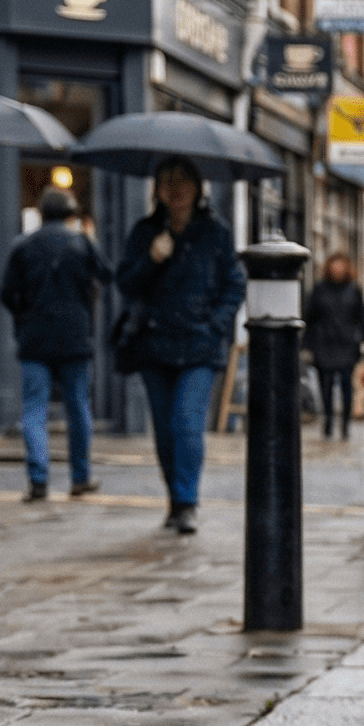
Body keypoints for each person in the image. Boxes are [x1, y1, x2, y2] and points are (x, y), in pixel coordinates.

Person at [115, 159, 243, 535]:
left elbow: (234, 282)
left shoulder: (215, 232)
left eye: (184, 180)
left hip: (199, 345)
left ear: (197, 188)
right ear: (157, 189)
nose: (176, 188)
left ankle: (187, 502)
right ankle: (175, 498)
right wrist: (152, 259)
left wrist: (216, 325)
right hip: (155, 344)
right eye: (167, 181)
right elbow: (126, 283)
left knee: (187, 423)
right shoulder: (145, 232)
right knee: (165, 430)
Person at [0, 186, 109, 501]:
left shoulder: (23, 245)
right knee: (78, 407)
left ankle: (38, 480)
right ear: (71, 213)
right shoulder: (82, 243)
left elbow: (6, 293)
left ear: (41, 212)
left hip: (34, 337)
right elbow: (107, 275)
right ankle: (80, 477)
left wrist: (24, 317)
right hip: (75, 337)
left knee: (34, 409)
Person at [303, 252, 364, 440]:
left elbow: (361, 317)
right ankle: (328, 421)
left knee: (347, 384)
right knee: (326, 385)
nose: (338, 269)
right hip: (324, 343)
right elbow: (310, 316)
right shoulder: (320, 289)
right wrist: (306, 344)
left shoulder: (353, 290)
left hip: (347, 343)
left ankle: (345, 424)